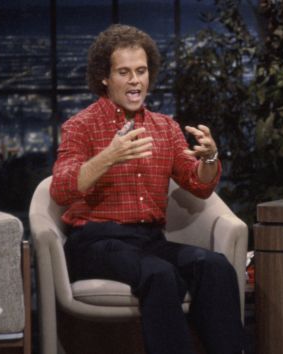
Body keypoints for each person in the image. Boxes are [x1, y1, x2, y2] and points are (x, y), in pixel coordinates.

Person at [50, 24, 245, 354]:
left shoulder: (164, 127)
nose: (135, 81)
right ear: (104, 77)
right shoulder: (80, 126)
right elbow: (61, 189)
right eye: (124, 72)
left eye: (141, 71)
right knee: (159, 274)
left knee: (214, 266)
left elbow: (198, 184)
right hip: (96, 241)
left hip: (149, 240)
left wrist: (210, 156)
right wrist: (109, 156)